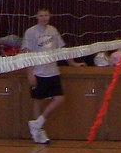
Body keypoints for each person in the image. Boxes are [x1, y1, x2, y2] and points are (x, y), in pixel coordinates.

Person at [21, 8, 83, 144]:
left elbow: (62, 49)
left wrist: (72, 63)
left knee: (60, 98)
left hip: (53, 72)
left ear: (49, 16)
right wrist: (30, 73)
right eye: (41, 15)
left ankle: (37, 124)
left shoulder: (53, 30)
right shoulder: (31, 32)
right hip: (38, 72)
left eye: (46, 15)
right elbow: (27, 54)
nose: (44, 17)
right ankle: (39, 133)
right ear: (36, 16)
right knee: (38, 101)